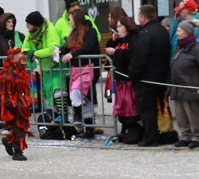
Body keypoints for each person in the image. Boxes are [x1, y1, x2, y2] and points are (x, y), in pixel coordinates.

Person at [129, 5, 171, 147]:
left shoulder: (146, 33)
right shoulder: (162, 30)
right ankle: (157, 134)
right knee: (157, 108)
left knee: (147, 110)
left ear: (143, 17)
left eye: (139, 16)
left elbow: (140, 58)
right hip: (160, 76)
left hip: (146, 78)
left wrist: (133, 75)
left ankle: (150, 137)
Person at [18, 11, 64, 136]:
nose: (26, 26)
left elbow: (52, 49)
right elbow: (24, 48)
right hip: (44, 68)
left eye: (29, 23)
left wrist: (35, 54)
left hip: (56, 67)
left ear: (35, 25)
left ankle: (63, 119)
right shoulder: (31, 33)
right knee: (49, 96)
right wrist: (29, 53)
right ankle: (56, 121)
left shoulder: (50, 31)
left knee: (58, 93)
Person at [59, 9, 99, 138]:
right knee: (85, 99)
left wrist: (72, 54)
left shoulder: (90, 32)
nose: (69, 21)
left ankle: (79, 119)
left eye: (70, 19)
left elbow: (87, 47)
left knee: (76, 93)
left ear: (76, 20)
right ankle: (89, 130)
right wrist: (58, 53)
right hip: (76, 70)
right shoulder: (74, 33)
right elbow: (65, 47)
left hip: (89, 68)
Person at [168, 21, 199, 149]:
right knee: (180, 114)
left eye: (179, 30)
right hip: (177, 85)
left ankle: (197, 136)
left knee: (192, 113)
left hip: (190, 85)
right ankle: (185, 135)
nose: (177, 33)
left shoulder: (197, 49)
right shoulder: (179, 47)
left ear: (187, 32)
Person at [106, 12, 141, 143]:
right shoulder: (120, 40)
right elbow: (109, 49)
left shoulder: (133, 38)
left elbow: (131, 54)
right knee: (121, 109)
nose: (118, 29)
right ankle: (125, 129)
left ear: (127, 27)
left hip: (128, 79)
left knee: (130, 109)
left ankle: (134, 128)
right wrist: (113, 40)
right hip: (119, 79)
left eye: (120, 26)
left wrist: (116, 52)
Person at [0, 47, 32, 161]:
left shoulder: (22, 74)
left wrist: (28, 101)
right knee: (19, 128)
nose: (24, 62)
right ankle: (18, 151)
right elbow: (4, 92)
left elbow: (25, 90)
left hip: (22, 105)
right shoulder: (8, 76)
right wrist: (9, 103)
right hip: (13, 105)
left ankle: (9, 141)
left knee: (21, 127)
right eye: (21, 59)